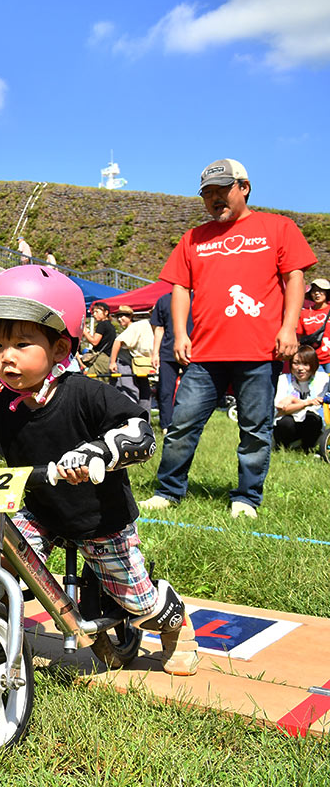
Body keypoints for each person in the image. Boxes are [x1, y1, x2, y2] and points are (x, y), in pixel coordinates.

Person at [0, 264, 198, 676]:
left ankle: (174, 623)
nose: (6, 357)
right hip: (39, 510)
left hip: (100, 516)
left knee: (138, 601)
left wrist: (97, 453)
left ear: (60, 350)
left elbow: (138, 431)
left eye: (22, 344)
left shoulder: (87, 393)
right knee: (3, 563)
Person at [140, 159, 317, 519]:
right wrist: (180, 334)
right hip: (204, 352)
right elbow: (180, 288)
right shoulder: (193, 238)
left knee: (255, 429)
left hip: (259, 349)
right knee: (182, 424)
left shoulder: (277, 227)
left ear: (244, 187)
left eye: (222, 190)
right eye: (208, 193)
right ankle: (168, 491)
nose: (215, 198)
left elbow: (295, 278)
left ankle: (246, 499)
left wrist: (289, 328)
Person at [149, 290, 191, 432]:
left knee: (191, 390)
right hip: (167, 352)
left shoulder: (197, 298)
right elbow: (159, 328)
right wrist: (155, 353)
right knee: (165, 390)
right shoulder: (164, 300)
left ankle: (188, 423)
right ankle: (166, 425)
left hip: (193, 351)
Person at [273, 346, 328, 451]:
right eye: (296, 363)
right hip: (287, 426)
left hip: (311, 424)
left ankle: (307, 448)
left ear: (313, 365)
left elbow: (316, 407)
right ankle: (285, 447)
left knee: (312, 418)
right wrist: (306, 403)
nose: (300, 368)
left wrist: (292, 401)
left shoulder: (322, 379)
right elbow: (279, 409)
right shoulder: (284, 379)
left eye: (305, 364)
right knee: (286, 422)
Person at [109, 306, 154, 412]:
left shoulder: (139, 326)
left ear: (130, 316)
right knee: (130, 390)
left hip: (139, 364)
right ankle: (132, 417)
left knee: (138, 391)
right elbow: (118, 341)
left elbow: (118, 341)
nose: (120, 319)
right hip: (127, 363)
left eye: (123, 316)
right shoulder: (139, 327)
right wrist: (112, 362)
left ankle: (140, 417)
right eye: (119, 316)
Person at [297, 278, 330, 372]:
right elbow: (301, 338)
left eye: (320, 291)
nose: (317, 293)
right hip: (313, 360)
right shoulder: (304, 313)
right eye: (314, 291)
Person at [80, 302, 116, 376]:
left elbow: (95, 342)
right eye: (93, 312)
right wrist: (88, 335)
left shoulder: (102, 325)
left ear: (106, 312)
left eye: (97, 312)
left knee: (91, 379)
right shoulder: (110, 326)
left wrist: (84, 332)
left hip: (101, 358)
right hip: (109, 357)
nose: (94, 314)